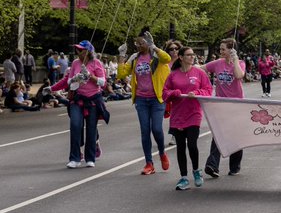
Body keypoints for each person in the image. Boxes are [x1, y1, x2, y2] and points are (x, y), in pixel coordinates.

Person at [118, 29, 172, 176]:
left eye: (142, 43)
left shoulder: (156, 56)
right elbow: (121, 74)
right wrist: (122, 56)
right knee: (145, 131)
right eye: (137, 43)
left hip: (157, 99)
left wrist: (154, 46)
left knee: (156, 129)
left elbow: (167, 59)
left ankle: (162, 153)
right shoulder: (135, 58)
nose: (138, 45)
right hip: (141, 100)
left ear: (148, 43)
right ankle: (149, 163)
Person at [50, 40, 107, 169]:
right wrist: (75, 78)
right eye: (77, 50)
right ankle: (74, 158)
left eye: (81, 50)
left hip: (92, 100)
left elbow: (103, 82)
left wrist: (90, 76)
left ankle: (90, 157)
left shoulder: (97, 63)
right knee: (75, 125)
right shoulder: (76, 63)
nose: (78, 52)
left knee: (91, 129)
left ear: (88, 52)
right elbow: (68, 80)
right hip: (77, 99)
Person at [161, 45, 212, 190]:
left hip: (193, 114)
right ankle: (183, 177)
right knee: (180, 147)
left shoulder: (199, 73)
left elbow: (208, 90)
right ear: (181, 58)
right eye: (189, 55)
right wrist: (174, 93)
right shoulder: (173, 75)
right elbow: (164, 94)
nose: (192, 57)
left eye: (193, 54)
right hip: (178, 115)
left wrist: (197, 92)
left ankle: (196, 171)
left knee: (192, 144)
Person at [204, 37, 246, 178]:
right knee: (218, 133)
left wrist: (235, 61)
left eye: (223, 49)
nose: (221, 51)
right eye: (220, 49)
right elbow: (201, 69)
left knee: (235, 136)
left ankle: (234, 166)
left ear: (231, 50)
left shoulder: (240, 63)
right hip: (220, 105)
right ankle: (212, 165)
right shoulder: (217, 63)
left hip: (236, 105)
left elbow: (239, 75)